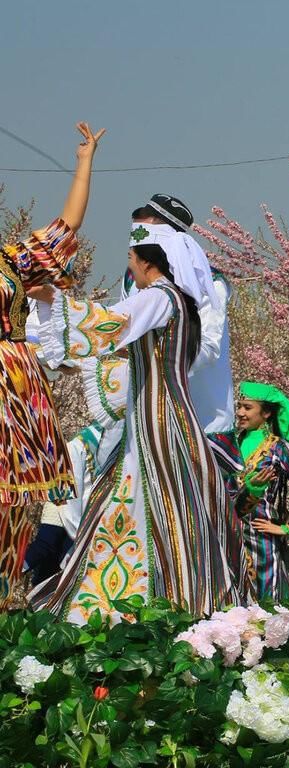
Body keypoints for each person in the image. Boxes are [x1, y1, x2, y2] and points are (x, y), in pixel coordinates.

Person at [29, 222, 246, 622]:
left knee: (153, 500)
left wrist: (54, 299)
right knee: (164, 503)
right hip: (167, 416)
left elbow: (110, 324)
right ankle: (162, 593)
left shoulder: (160, 297)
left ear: (148, 263)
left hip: (156, 419)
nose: (129, 267)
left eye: (131, 259)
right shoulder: (180, 301)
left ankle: (151, 599)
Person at [1, 122, 102, 609]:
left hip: (16, 389)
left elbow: (68, 225)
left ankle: (6, 599)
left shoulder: (12, 261)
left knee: (17, 502)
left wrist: (84, 160)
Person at [233, 382, 289, 601]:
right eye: (239, 406)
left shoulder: (278, 448)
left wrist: (288, 528)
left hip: (262, 542)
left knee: (268, 608)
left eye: (247, 407)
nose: (240, 413)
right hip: (229, 538)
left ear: (265, 413)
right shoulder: (230, 444)